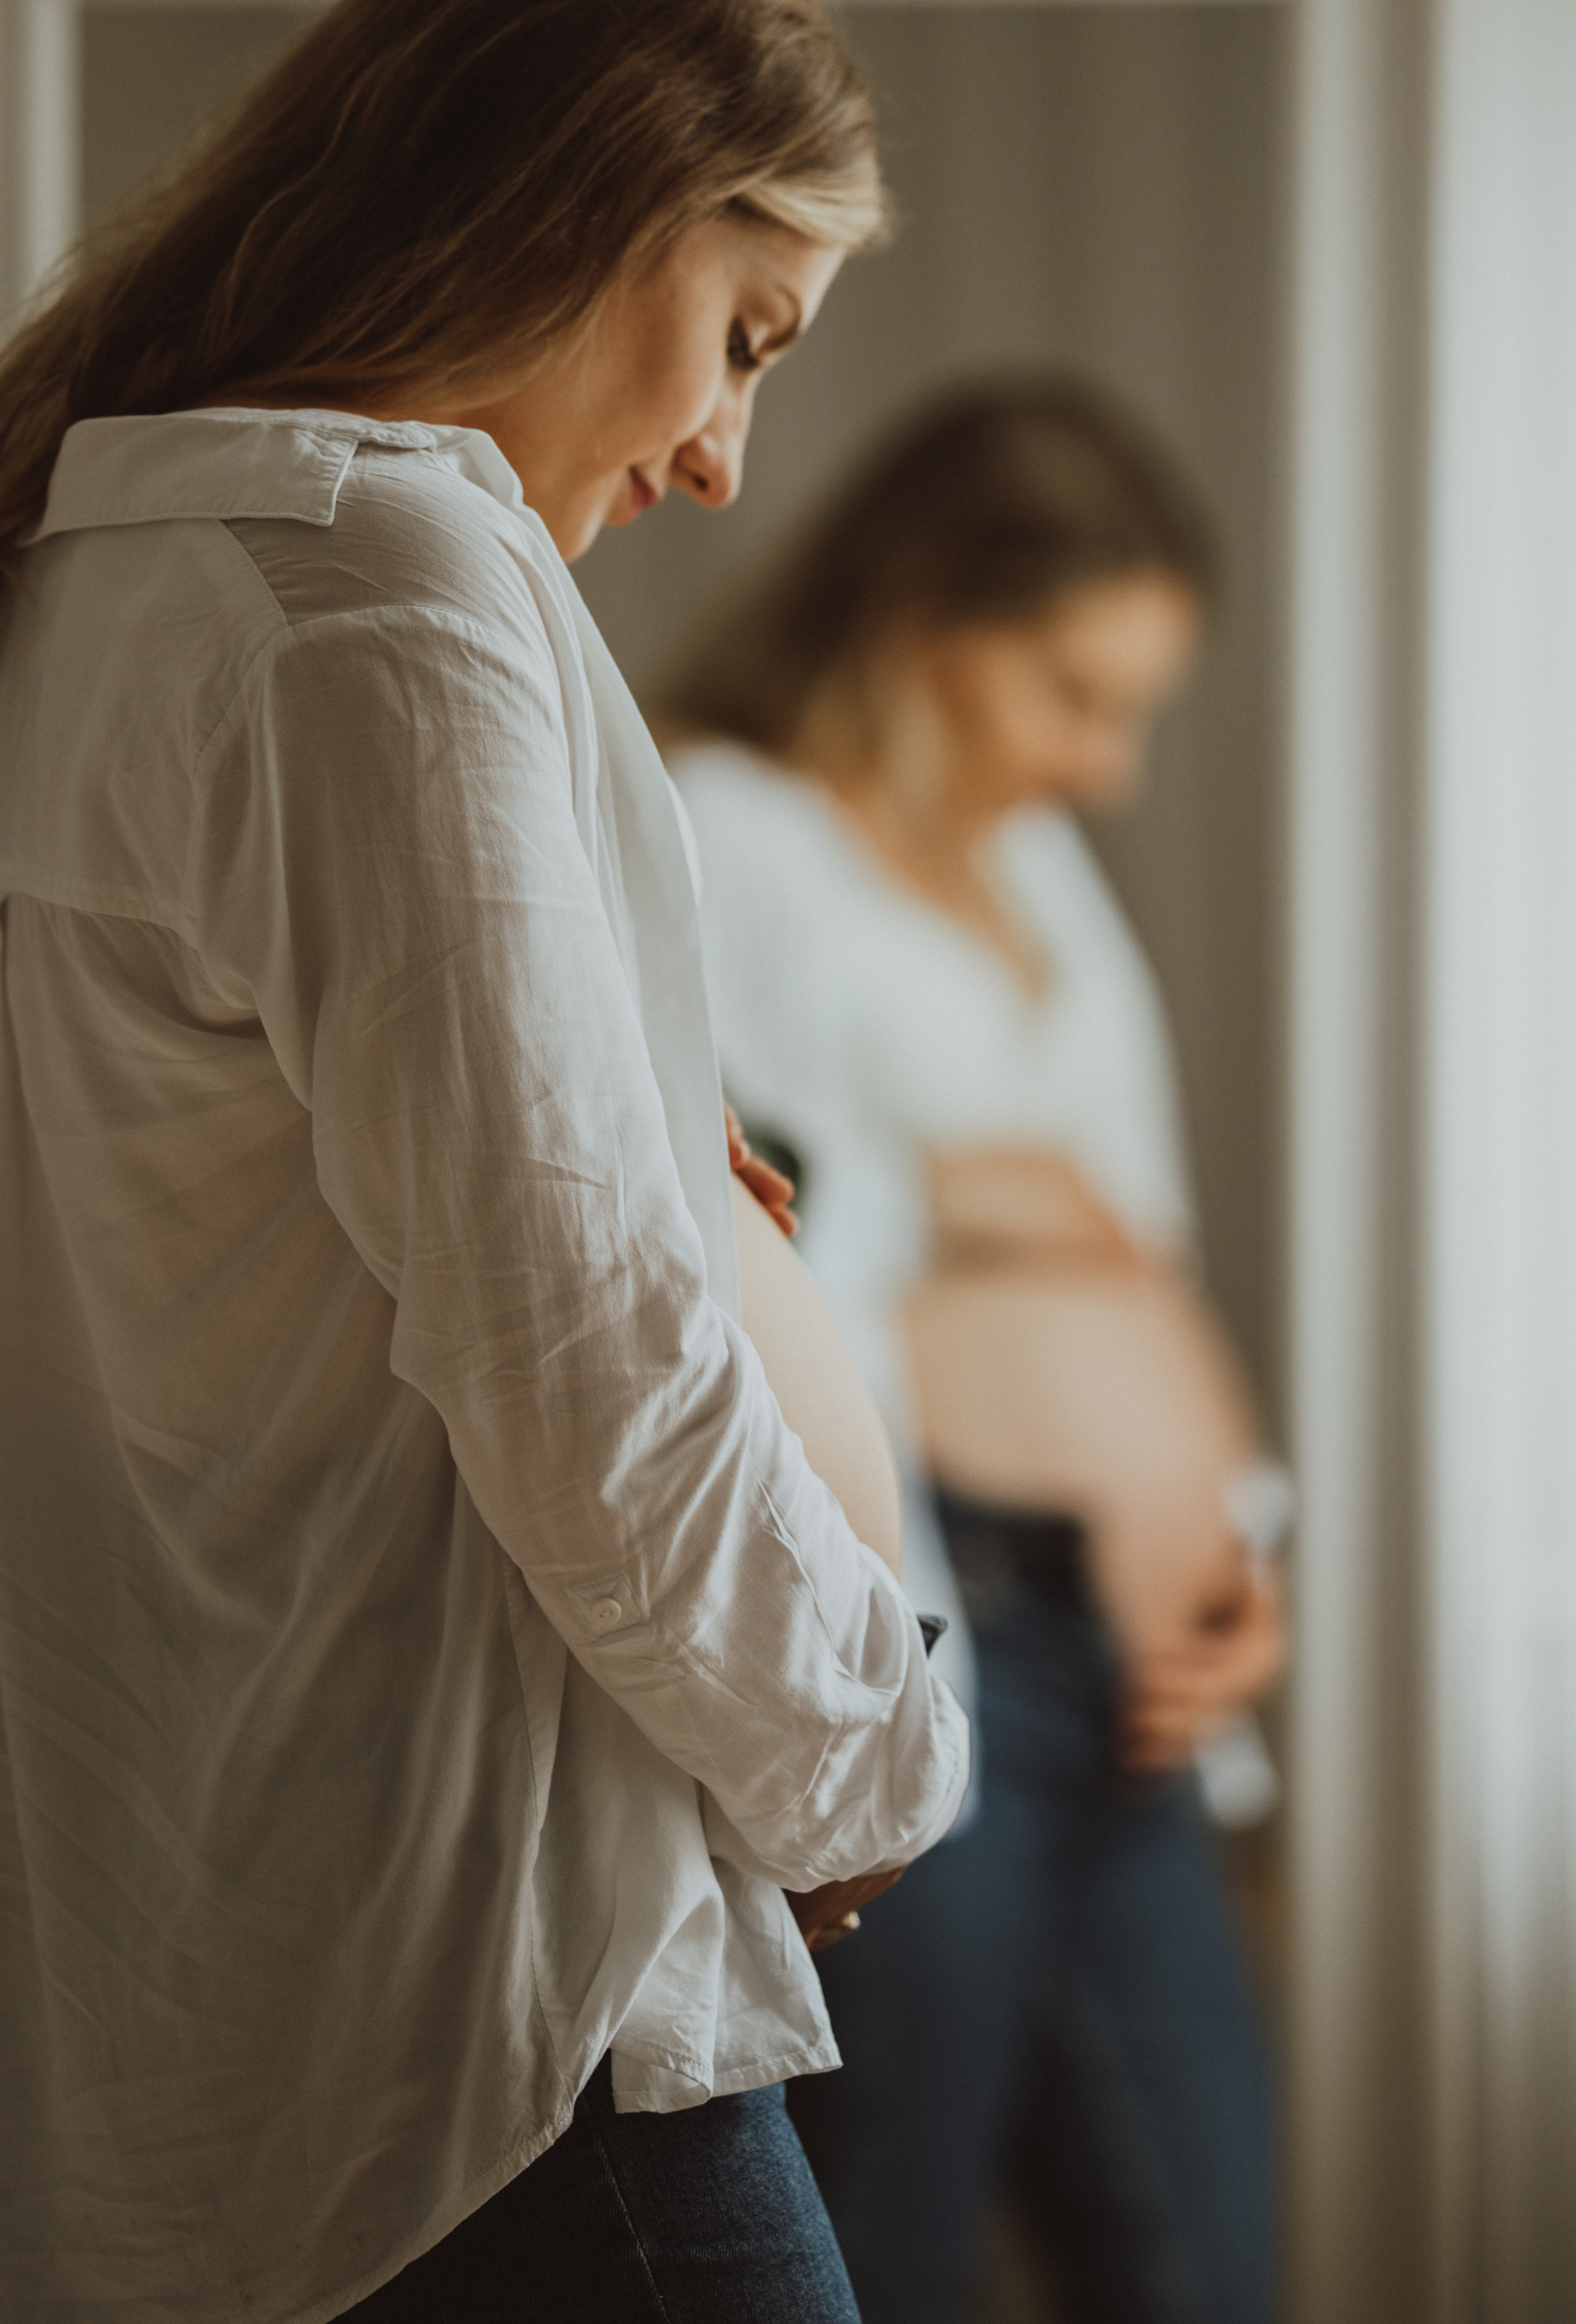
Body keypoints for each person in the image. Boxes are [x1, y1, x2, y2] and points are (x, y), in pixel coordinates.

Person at [0, 0, 970, 2324]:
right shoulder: (375, 614)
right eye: (745, 337)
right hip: (492, 2037)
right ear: (599, 193)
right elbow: (589, 1368)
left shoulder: (62, 588)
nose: (724, 461)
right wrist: (875, 1763)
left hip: (253, 2006)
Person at [666, 376, 1286, 2323]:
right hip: (943, 1636)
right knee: (885, 2258)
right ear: (922, 621)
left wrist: (1242, 1549)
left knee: (1203, 2266)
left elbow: (1142, 1247)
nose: (1108, 766)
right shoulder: (728, 831)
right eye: (1072, 697)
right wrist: (958, 1193)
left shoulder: (1035, 873)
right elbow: (715, 1216)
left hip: (1133, 1674)